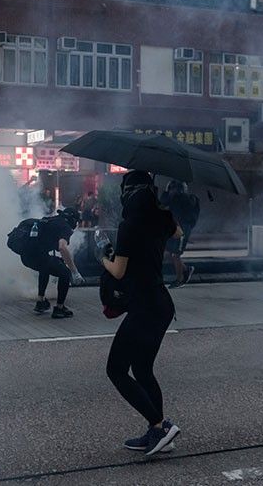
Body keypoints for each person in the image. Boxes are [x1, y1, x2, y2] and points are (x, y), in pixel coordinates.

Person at [100, 170, 183, 456]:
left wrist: (103, 257)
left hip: (145, 306)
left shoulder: (129, 224)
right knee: (143, 369)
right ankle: (158, 434)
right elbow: (179, 234)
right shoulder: (164, 218)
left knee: (116, 369)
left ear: (128, 192)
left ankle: (160, 427)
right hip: (160, 304)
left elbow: (118, 270)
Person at [20, 207, 85, 318]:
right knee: (65, 273)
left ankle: (41, 302)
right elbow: (62, 248)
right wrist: (75, 272)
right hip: (37, 257)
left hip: (26, 257)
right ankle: (59, 309)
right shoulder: (65, 227)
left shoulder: (51, 220)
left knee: (45, 266)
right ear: (72, 220)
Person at [160, 180, 200, 288]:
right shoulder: (171, 198)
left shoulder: (189, 199)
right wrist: (167, 194)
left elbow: (189, 216)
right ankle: (186, 270)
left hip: (182, 230)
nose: (173, 191)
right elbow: (162, 204)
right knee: (168, 252)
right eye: (171, 189)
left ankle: (179, 279)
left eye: (175, 189)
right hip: (173, 229)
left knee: (175, 254)